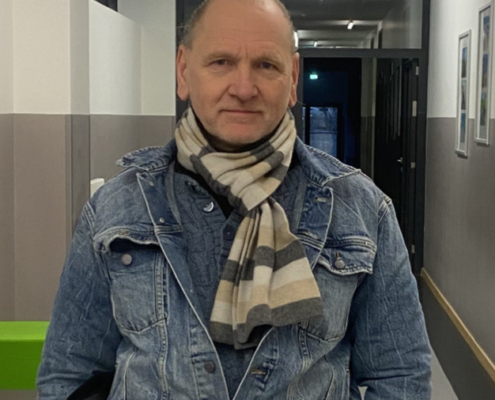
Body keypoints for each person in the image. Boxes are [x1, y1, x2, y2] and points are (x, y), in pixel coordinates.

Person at [37, 0, 432, 398]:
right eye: (221, 62)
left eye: (266, 65)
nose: (243, 88)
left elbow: (400, 378)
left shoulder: (363, 209)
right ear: (183, 71)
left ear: (293, 78)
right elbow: (70, 376)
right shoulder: (116, 207)